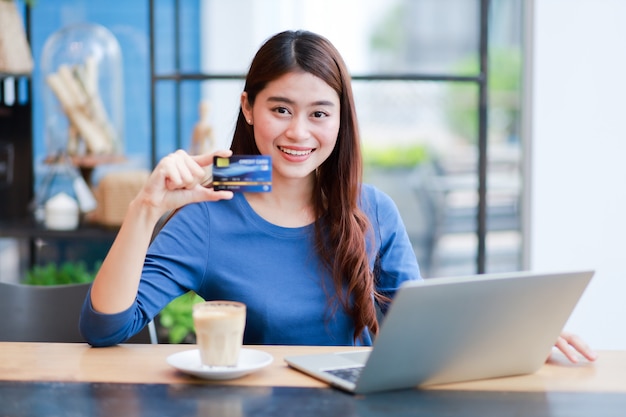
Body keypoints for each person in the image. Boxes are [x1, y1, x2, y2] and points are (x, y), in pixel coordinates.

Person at [79, 30, 596, 363]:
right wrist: (146, 209)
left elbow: (416, 334)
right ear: (248, 107)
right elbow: (104, 328)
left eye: (319, 113)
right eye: (280, 109)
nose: (298, 132)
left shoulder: (373, 209)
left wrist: (515, 339)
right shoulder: (209, 211)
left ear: (341, 118)